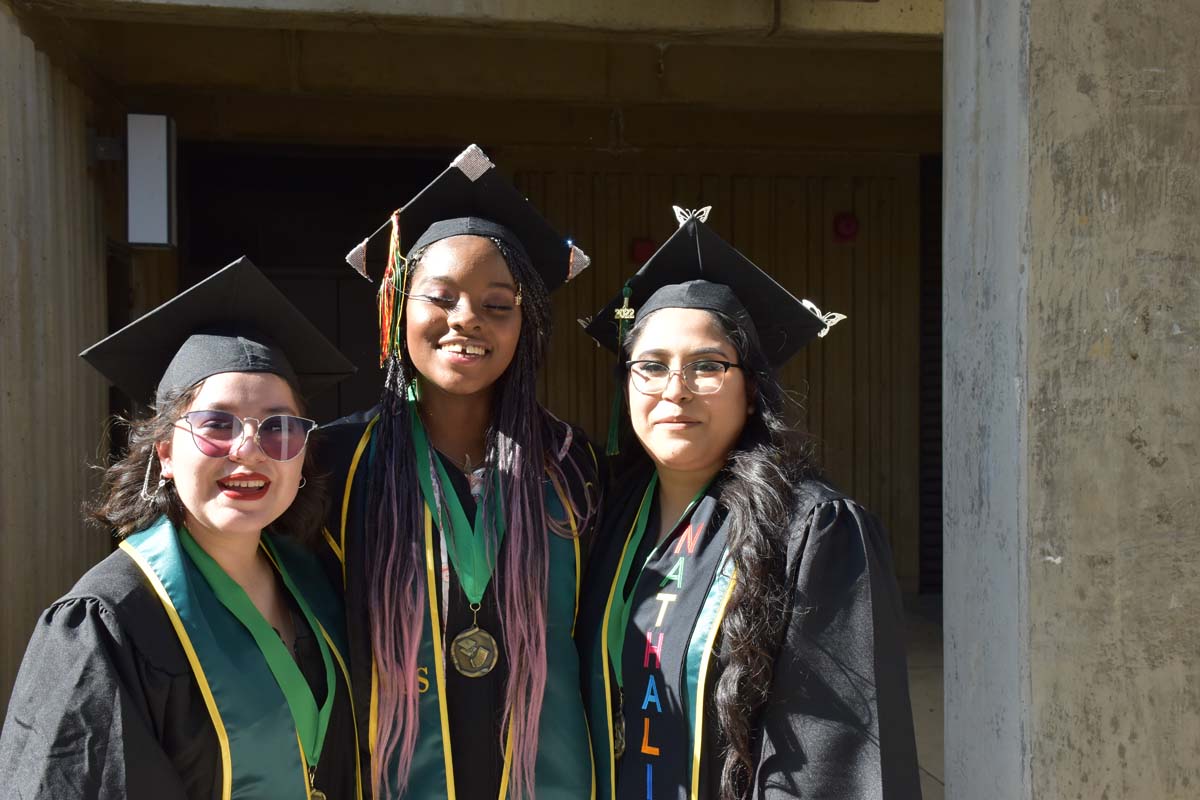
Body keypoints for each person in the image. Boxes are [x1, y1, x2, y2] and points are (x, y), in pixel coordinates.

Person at [577, 207, 922, 799]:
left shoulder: (816, 531)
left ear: (752, 387)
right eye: (651, 367)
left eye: (707, 366)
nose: (674, 389)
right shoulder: (603, 514)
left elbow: (829, 762)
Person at [0, 257, 362, 800]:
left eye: (279, 428)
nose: (248, 450)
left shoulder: (317, 587)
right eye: (217, 424)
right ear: (165, 452)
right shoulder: (110, 622)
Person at [320, 144, 601, 799]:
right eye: (440, 297)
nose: (466, 319)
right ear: (399, 310)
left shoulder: (572, 467)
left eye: (498, 304)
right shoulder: (336, 465)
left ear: (525, 324)